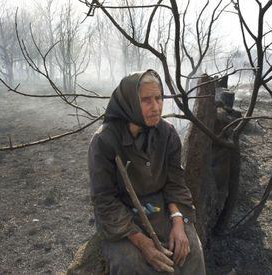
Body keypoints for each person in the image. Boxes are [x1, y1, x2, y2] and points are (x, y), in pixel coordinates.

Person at [88, 69, 206, 274]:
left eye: (159, 98)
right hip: (121, 215)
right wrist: (141, 241)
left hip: (160, 207)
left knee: (191, 251)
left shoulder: (167, 134)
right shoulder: (104, 141)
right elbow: (104, 199)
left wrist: (178, 223)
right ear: (130, 103)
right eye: (146, 100)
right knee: (131, 263)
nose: (156, 107)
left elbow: (175, 183)